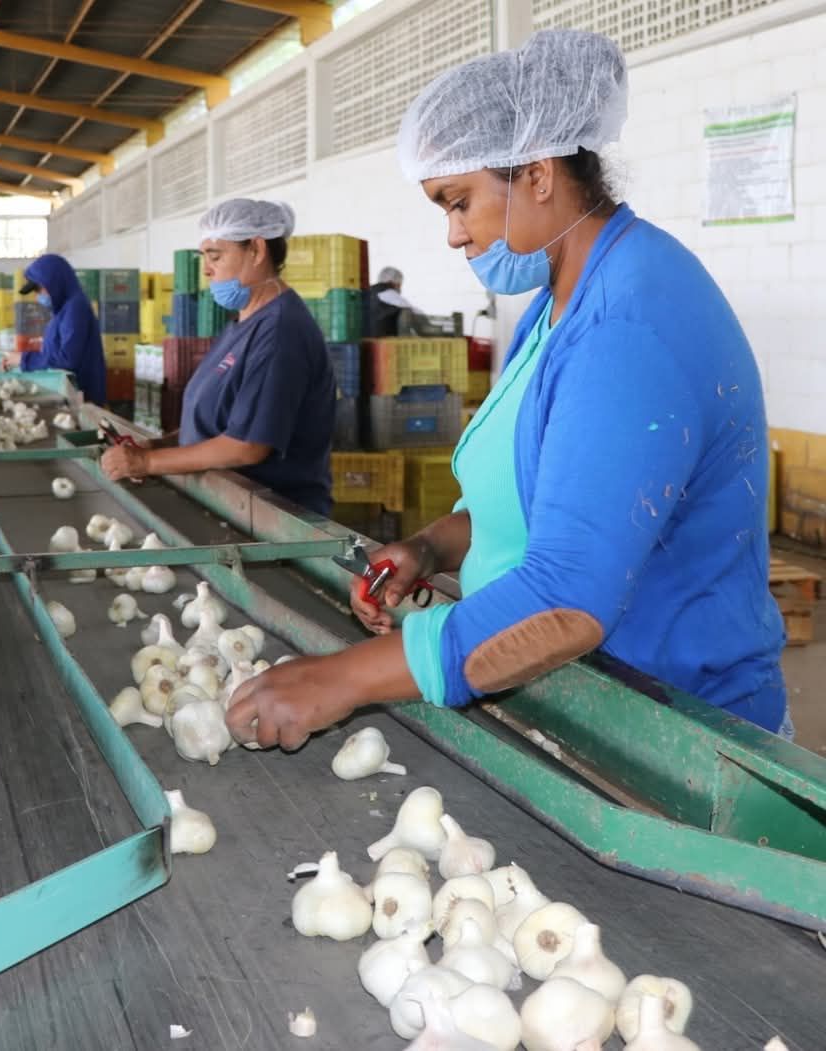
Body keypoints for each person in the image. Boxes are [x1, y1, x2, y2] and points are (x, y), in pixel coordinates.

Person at [225, 29, 786, 753]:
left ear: (540, 175)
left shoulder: (627, 324)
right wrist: (432, 546)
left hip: (680, 734)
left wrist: (341, 680)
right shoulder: (561, 303)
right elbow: (536, 500)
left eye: (459, 202)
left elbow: (567, 602)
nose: (455, 235)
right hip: (589, 700)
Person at [101, 199, 337, 516]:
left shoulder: (280, 332)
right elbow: (218, 422)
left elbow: (247, 446)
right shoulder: (243, 323)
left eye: (216, 256)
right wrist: (158, 447)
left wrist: (147, 463)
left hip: (273, 519)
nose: (207, 269)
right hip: (230, 506)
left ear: (256, 250)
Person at [4, 253, 105, 406]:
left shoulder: (75, 308)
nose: (38, 296)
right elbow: (56, 352)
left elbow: (67, 359)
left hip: (83, 397)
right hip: (70, 392)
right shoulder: (63, 309)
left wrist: (24, 359)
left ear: (54, 282)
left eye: (39, 289)